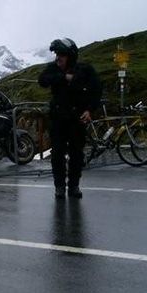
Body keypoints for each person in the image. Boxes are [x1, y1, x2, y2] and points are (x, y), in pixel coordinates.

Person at [38, 38, 101, 199]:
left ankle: (74, 186)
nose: (58, 57)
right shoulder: (52, 69)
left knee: (76, 154)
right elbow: (42, 80)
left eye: (62, 54)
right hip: (58, 119)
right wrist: (62, 78)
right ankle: (59, 186)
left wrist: (89, 110)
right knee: (57, 154)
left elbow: (96, 90)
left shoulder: (85, 70)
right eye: (57, 54)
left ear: (70, 56)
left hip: (77, 119)